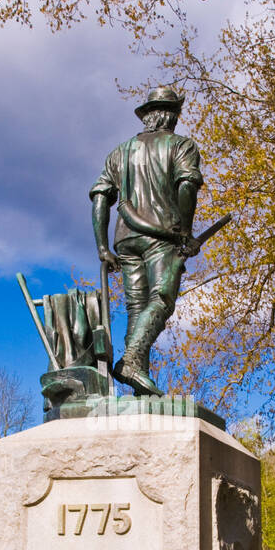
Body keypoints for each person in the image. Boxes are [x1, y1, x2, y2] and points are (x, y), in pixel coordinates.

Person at [90, 85, 204, 395]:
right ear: (170, 117)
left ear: (148, 116)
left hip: (125, 240)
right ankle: (132, 361)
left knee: (137, 308)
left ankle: (139, 379)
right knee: (162, 299)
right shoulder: (182, 146)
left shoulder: (119, 152)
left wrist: (102, 246)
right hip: (160, 237)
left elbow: (100, 197)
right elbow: (186, 186)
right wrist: (185, 233)